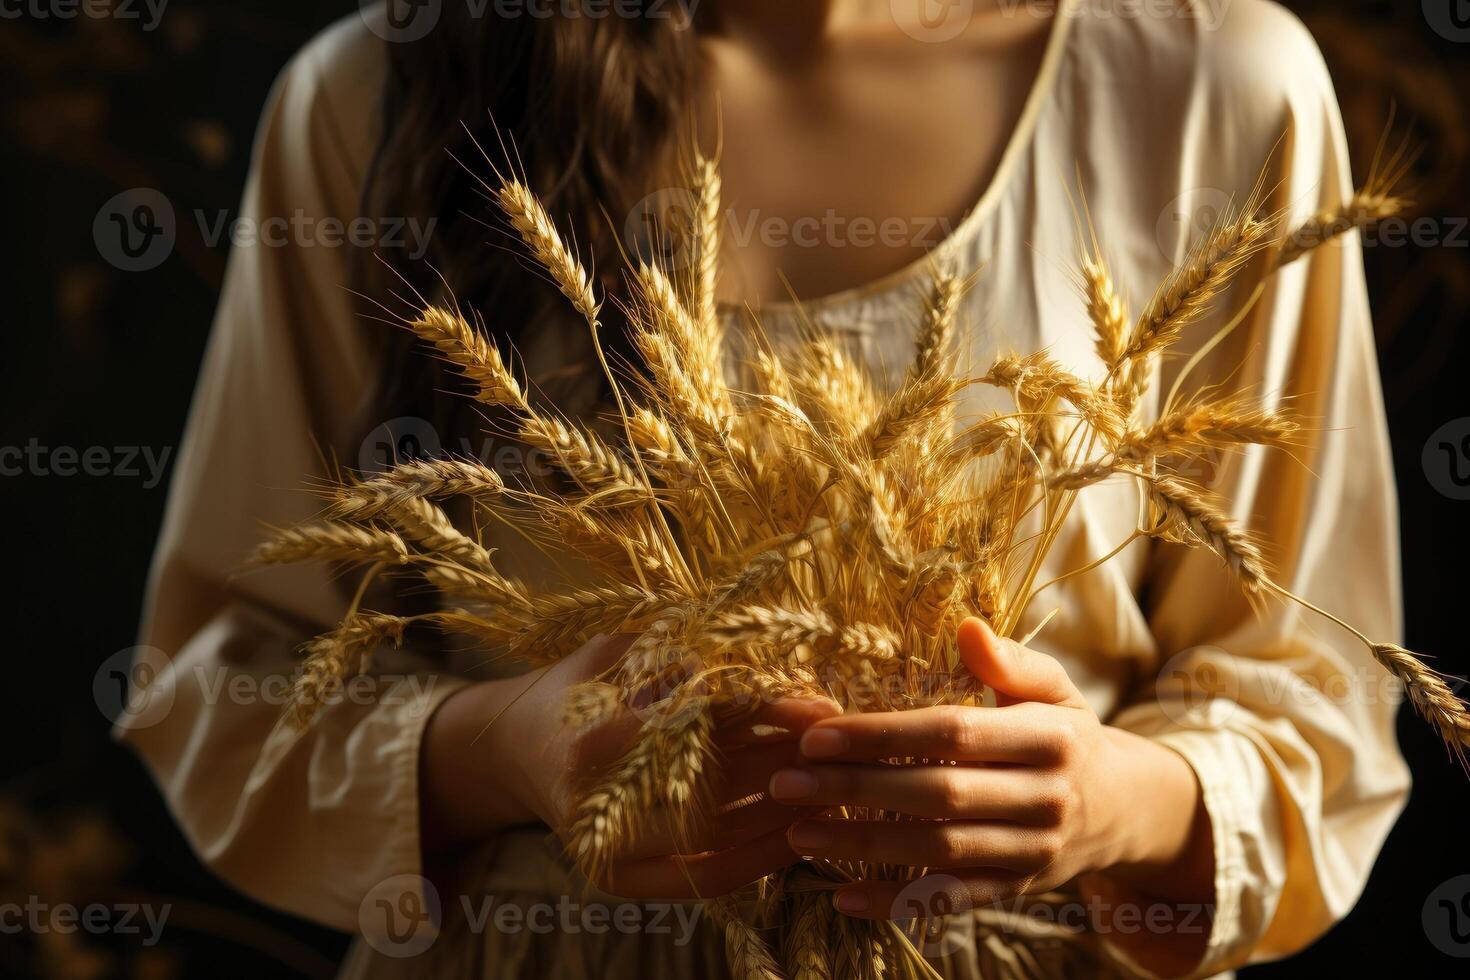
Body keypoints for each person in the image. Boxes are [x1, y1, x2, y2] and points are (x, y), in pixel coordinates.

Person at [124, 2, 1409, 977]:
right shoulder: (382, 91)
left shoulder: (1209, 85)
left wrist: (1109, 801)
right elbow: (218, 677)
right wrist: (507, 753)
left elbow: (1309, 691)